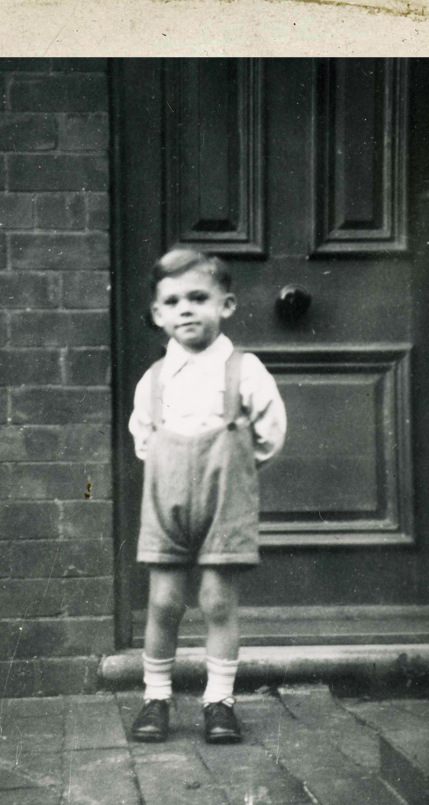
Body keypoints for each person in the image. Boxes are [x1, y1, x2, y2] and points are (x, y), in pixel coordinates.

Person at [129, 244, 287, 747]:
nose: (186, 310)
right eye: (173, 302)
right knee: (163, 601)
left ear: (226, 305)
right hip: (167, 502)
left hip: (225, 500)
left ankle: (219, 701)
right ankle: (156, 697)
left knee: (218, 601)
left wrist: (231, 464)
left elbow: (270, 434)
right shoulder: (154, 378)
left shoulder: (246, 369)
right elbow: (144, 438)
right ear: (158, 314)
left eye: (198, 298)